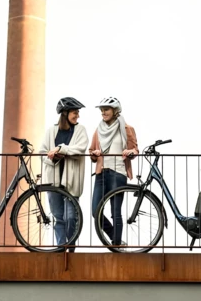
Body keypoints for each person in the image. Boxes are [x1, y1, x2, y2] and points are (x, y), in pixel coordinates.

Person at [39, 97, 89, 252]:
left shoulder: (80, 130)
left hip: (71, 181)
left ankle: (71, 246)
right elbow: (42, 153)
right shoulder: (51, 131)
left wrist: (61, 149)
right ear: (65, 113)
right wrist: (51, 158)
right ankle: (61, 249)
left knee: (70, 217)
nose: (78, 116)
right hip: (53, 182)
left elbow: (80, 149)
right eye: (75, 112)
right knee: (58, 218)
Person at [89, 97, 139, 248]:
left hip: (118, 172)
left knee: (115, 211)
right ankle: (114, 236)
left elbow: (135, 149)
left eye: (107, 109)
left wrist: (129, 152)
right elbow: (91, 152)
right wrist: (95, 153)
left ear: (115, 110)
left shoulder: (126, 128)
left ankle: (116, 244)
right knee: (95, 210)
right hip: (101, 173)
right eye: (102, 110)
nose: (103, 112)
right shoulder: (99, 130)